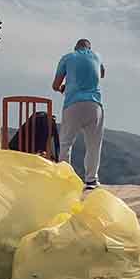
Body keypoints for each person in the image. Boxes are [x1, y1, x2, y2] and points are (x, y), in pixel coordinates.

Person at [53, 38, 105, 190]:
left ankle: (64, 180)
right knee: (94, 144)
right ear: (89, 48)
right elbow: (102, 74)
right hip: (94, 105)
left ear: (76, 48)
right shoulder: (96, 56)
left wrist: (63, 88)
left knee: (66, 143)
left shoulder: (68, 57)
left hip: (73, 104)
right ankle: (91, 180)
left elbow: (55, 85)